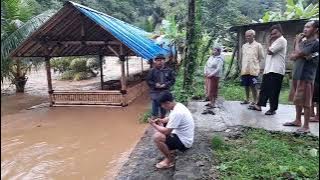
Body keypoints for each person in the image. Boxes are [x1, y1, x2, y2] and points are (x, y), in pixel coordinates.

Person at [283, 20, 319, 133]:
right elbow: (293, 55)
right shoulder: (304, 42)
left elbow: (298, 53)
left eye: (308, 27)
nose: (305, 29)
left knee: (306, 101)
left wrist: (298, 44)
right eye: (305, 27)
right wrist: (298, 48)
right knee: (297, 99)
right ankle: (297, 120)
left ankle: (306, 126)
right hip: (297, 74)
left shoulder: (315, 43)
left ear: (316, 30)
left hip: (306, 76)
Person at [149, 91, 194, 169]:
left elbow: (167, 131)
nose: (162, 107)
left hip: (184, 143)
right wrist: (162, 120)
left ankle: (169, 160)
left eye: (162, 105)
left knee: (157, 137)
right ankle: (170, 150)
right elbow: (169, 118)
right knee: (161, 127)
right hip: (181, 135)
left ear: (168, 102)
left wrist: (154, 125)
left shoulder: (177, 112)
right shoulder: (177, 105)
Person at [250, 24, 287, 115]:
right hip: (269, 69)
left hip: (277, 69)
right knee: (264, 88)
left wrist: (269, 40)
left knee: (273, 90)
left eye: (275, 33)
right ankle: (259, 105)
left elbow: (270, 51)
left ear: (280, 32)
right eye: (272, 34)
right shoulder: (275, 41)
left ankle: (273, 109)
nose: (273, 35)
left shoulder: (282, 40)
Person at [240, 29, 265, 106]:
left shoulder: (258, 45)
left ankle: (255, 101)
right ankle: (247, 99)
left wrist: (257, 66)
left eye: (249, 36)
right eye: (246, 36)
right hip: (245, 69)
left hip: (254, 70)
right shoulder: (244, 46)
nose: (247, 37)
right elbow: (242, 57)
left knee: (253, 86)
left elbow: (261, 57)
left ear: (253, 36)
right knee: (246, 85)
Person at [147, 55, 176, 119]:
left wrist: (165, 84)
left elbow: (172, 80)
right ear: (155, 62)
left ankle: (163, 120)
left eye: (161, 60)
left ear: (164, 61)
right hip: (155, 92)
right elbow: (148, 81)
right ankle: (155, 120)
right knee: (154, 108)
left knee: (164, 107)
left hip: (165, 92)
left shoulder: (169, 70)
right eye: (158, 60)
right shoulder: (152, 71)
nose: (159, 62)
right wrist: (155, 84)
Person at [203, 45, 224, 111]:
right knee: (208, 89)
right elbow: (206, 65)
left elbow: (218, 69)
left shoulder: (220, 59)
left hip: (214, 76)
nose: (213, 51)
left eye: (215, 50)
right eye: (213, 50)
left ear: (218, 51)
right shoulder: (211, 57)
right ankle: (210, 102)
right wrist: (205, 72)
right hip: (208, 75)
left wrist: (211, 74)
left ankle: (213, 103)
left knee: (213, 90)